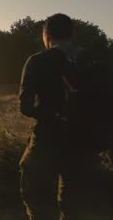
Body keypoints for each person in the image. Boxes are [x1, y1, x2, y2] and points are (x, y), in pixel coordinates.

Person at [18, 13, 105, 219]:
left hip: (47, 141)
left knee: (36, 198)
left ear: (46, 35)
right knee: (74, 204)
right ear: (72, 34)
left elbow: (25, 106)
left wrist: (52, 114)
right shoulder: (95, 62)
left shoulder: (37, 61)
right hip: (85, 144)